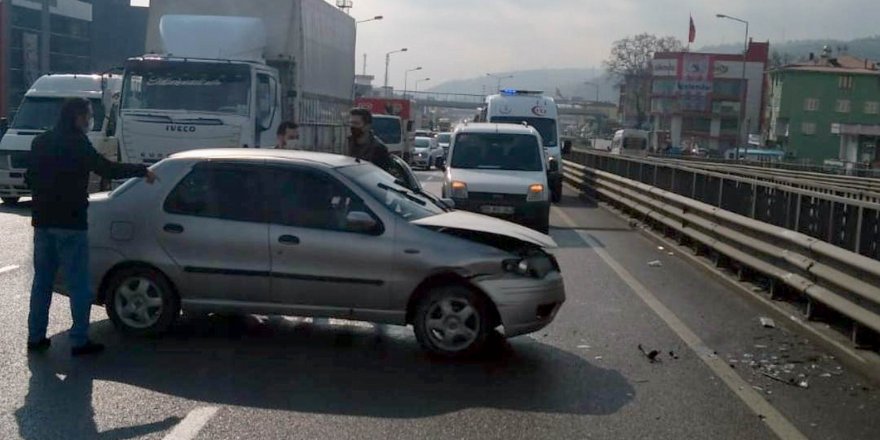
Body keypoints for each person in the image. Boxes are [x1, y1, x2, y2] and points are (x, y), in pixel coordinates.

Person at [25, 98, 156, 356]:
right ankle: (79, 340)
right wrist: (143, 170)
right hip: (71, 224)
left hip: (43, 223)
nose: (88, 121)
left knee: (42, 282)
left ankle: (36, 337)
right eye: (87, 116)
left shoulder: (40, 143)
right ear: (76, 117)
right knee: (79, 284)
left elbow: (29, 177)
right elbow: (107, 169)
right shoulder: (78, 145)